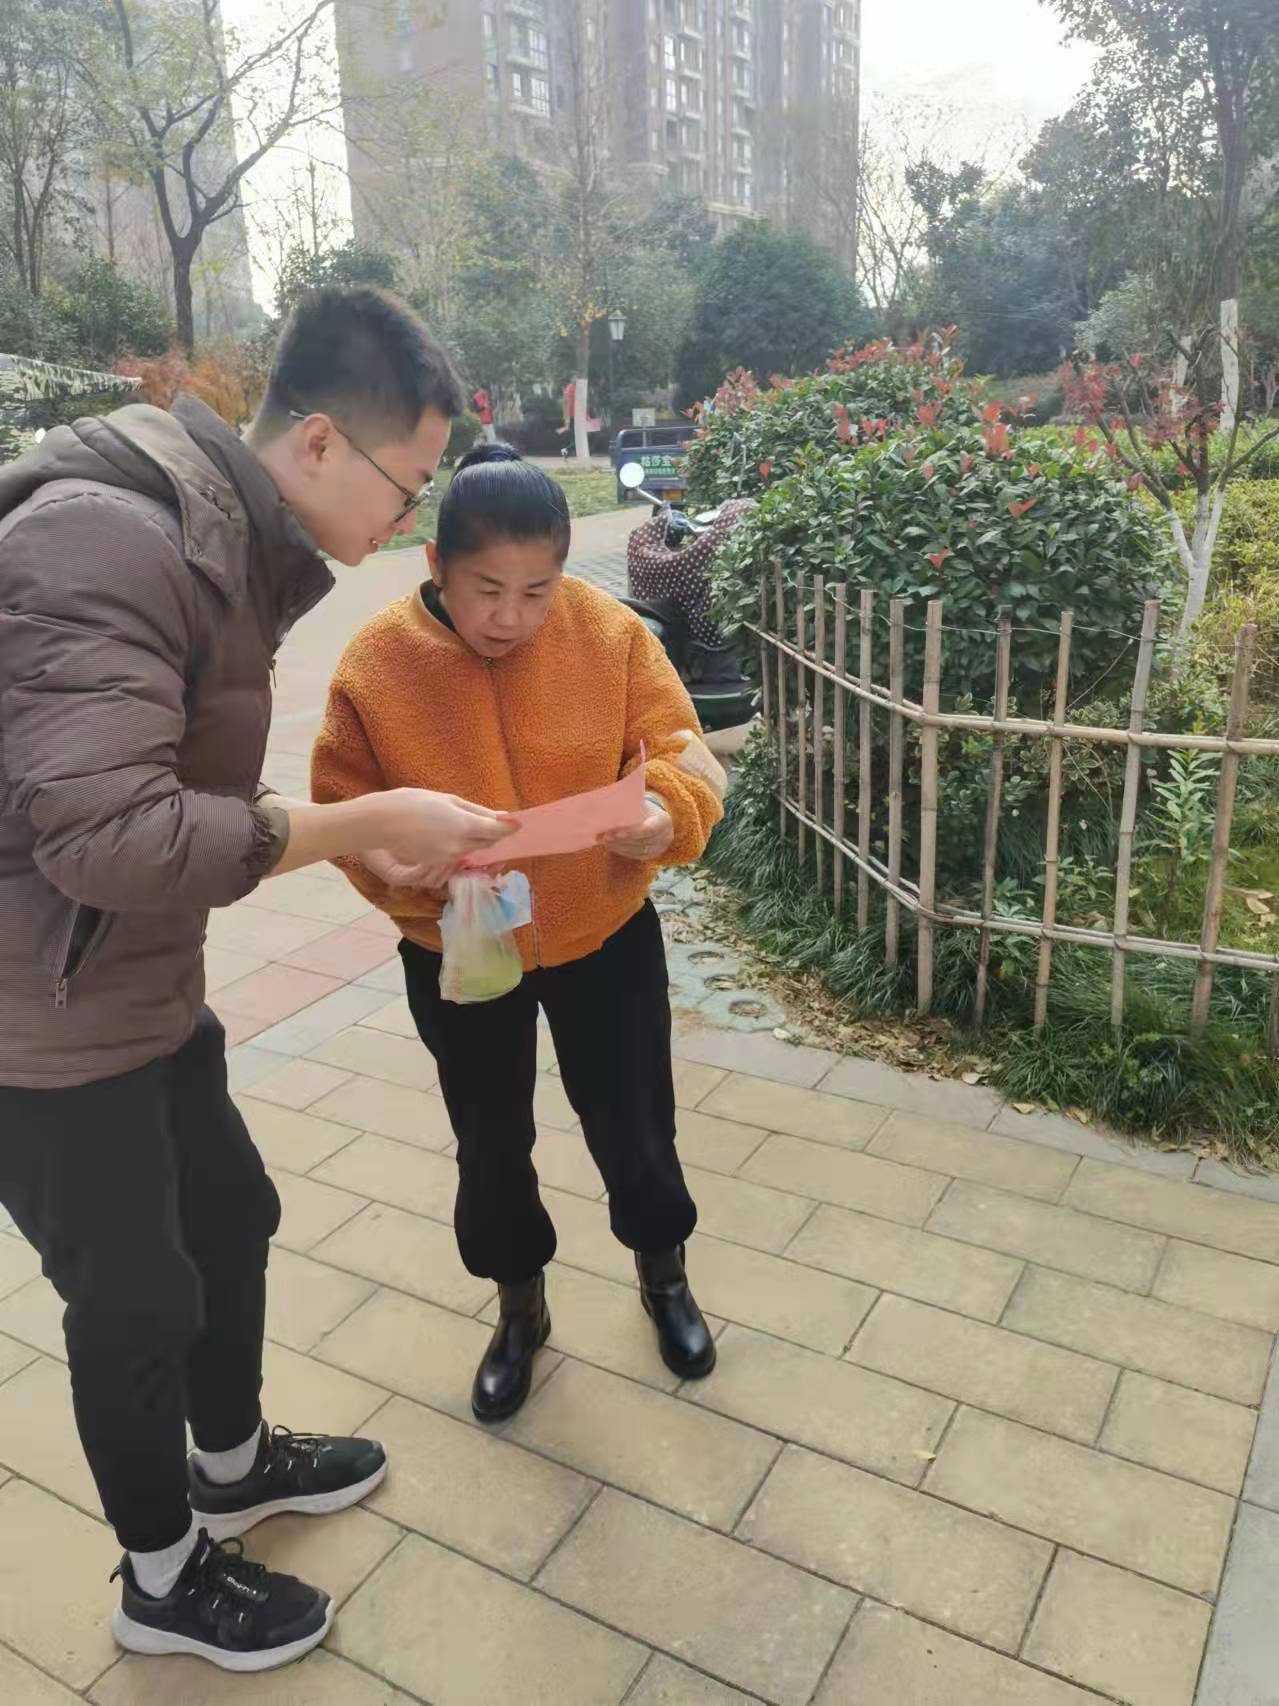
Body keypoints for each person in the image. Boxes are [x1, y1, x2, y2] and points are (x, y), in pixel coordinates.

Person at [0, 286, 514, 1671]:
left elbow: (152, 782)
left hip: (133, 979)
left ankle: (229, 1467)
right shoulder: (106, 538)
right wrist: (360, 822)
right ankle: (161, 1578)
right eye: (410, 482)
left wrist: (346, 829)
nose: (410, 518)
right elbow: (108, 836)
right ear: (322, 444)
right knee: (134, 1301)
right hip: (38, 1013)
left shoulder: (217, 542)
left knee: (231, 1215)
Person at [312, 443, 726, 1423]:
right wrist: (386, 864)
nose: (511, 617)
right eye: (485, 590)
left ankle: (663, 1275)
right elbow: (340, 801)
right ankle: (518, 1308)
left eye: (537, 591)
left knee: (634, 1118)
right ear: (436, 566)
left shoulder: (607, 633)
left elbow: (683, 749)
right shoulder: (377, 663)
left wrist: (664, 812)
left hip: (604, 928)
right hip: (461, 943)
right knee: (490, 1138)